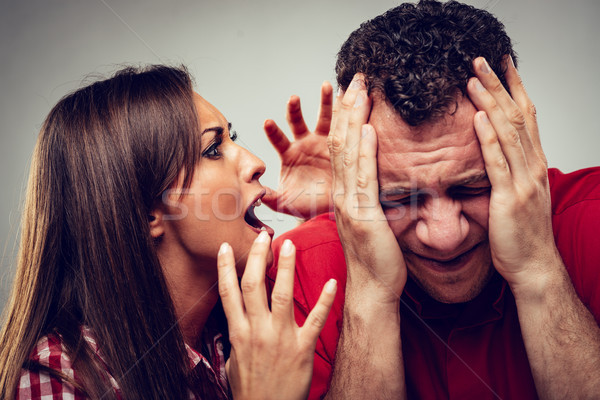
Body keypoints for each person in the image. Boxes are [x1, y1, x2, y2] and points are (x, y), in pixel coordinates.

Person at [267, 1, 600, 399]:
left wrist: (538, 269)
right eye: (399, 197)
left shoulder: (591, 222)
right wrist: (371, 290)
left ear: (521, 141)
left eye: (473, 188)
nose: (445, 237)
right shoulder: (301, 268)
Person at [0, 65, 338, 399]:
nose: (255, 162)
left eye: (231, 138)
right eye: (213, 150)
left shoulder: (230, 335)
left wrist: (333, 210)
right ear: (148, 213)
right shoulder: (60, 375)